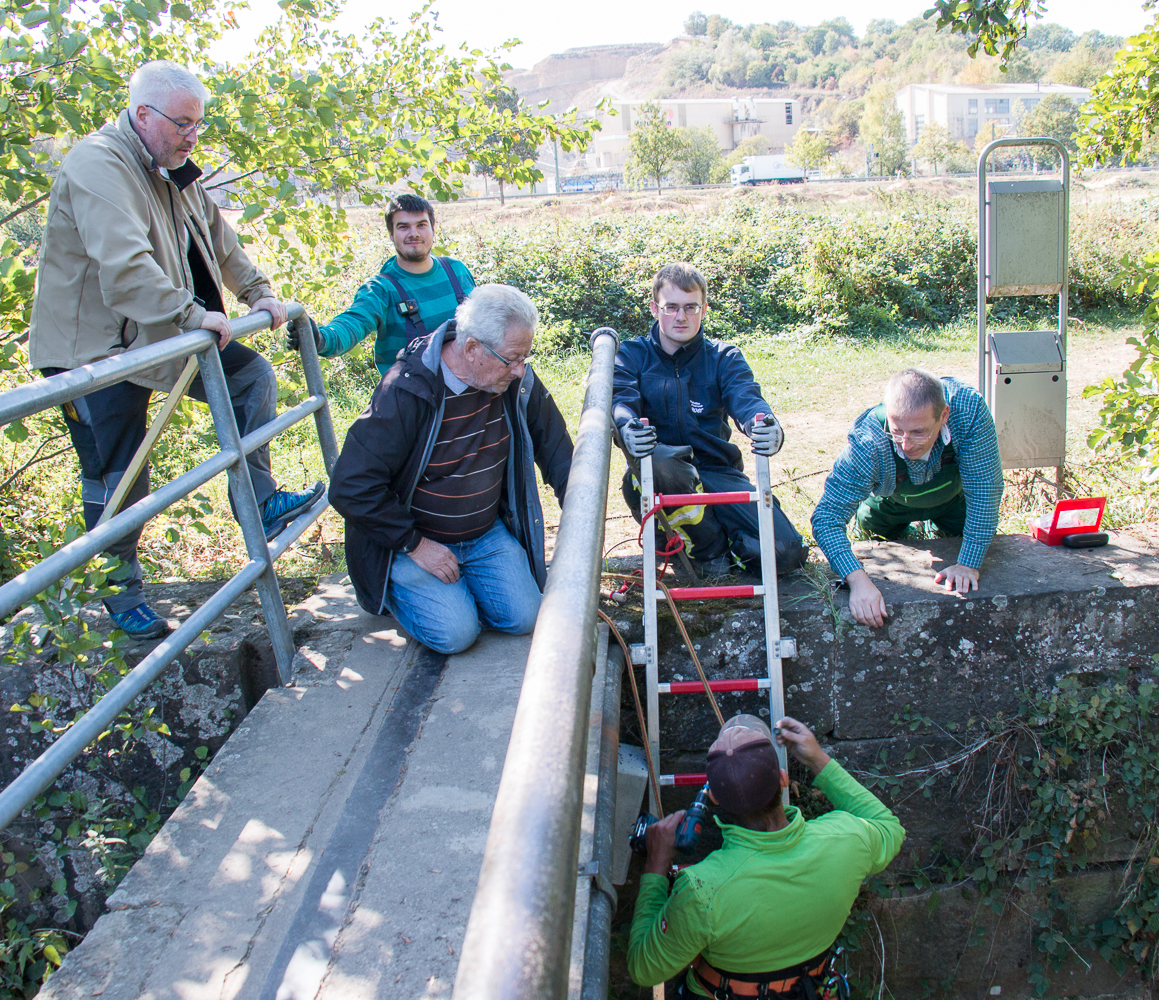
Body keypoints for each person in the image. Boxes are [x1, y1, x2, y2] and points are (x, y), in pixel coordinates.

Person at [30, 60, 323, 641]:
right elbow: (125, 269)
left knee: (250, 377)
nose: (193, 136)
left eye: (198, 124)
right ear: (143, 115)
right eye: (183, 123)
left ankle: (260, 502)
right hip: (95, 349)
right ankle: (121, 590)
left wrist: (261, 294)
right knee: (118, 474)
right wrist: (194, 315)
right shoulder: (99, 163)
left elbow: (219, 238)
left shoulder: (171, 169)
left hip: (156, 332)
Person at [327, 284, 573, 655]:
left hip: (483, 532)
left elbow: (556, 449)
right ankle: (397, 586)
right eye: (512, 358)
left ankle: (462, 587)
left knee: (526, 617)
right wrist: (414, 545)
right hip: (417, 539)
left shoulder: (511, 380)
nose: (521, 369)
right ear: (472, 349)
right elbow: (350, 485)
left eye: (526, 356)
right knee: (456, 634)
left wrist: (578, 507)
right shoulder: (406, 390)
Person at [628, 715, 904, 997]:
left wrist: (655, 866)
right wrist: (818, 759)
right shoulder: (847, 839)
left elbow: (644, 969)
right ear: (783, 779)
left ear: (715, 799)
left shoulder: (702, 891)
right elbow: (889, 827)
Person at [612, 263, 807, 578]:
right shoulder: (631, 355)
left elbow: (747, 398)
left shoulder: (724, 357)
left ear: (703, 309)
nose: (681, 316)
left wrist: (767, 425)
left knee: (786, 553)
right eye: (671, 307)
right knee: (662, 461)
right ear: (654, 308)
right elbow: (620, 402)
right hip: (656, 475)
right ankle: (707, 553)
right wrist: (625, 426)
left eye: (691, 307)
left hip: (718, 473)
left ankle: (714, 540)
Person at [810, 368, 1004, 628]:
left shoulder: (968, 411)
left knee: (973, 536)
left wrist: (968, 563)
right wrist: (856, 580)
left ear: (944, 415)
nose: (906, 444)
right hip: (889, 504)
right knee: (870, 534)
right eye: (897, 430)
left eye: (919, 433)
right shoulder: (869, 440)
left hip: (954, 501)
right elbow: (826, 518)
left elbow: (985, 490)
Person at [287, 193, 475, 376]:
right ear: (391, 234)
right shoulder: (380, 289)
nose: (414, 233)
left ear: (433, 228)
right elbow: (353, 323)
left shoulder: (456, 270)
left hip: (469, 395)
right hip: (415, 400)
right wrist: (319, 339)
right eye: (403, 227)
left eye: (421, 225)